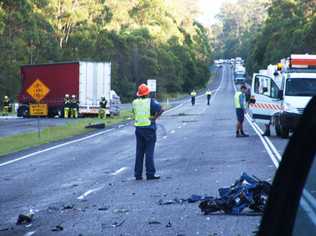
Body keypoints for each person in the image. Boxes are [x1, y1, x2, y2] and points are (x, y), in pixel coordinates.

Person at [132, 84, 163, 181]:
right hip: (149, 128)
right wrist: (154, 118)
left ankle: (138, 174)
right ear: (147, 93)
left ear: (139, 94)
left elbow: (134, 112)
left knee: (139, 152)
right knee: (149, 152)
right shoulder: (151, 102)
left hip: (138, 129)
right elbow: (160, 109)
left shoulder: (135, 102)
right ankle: (150, 174)